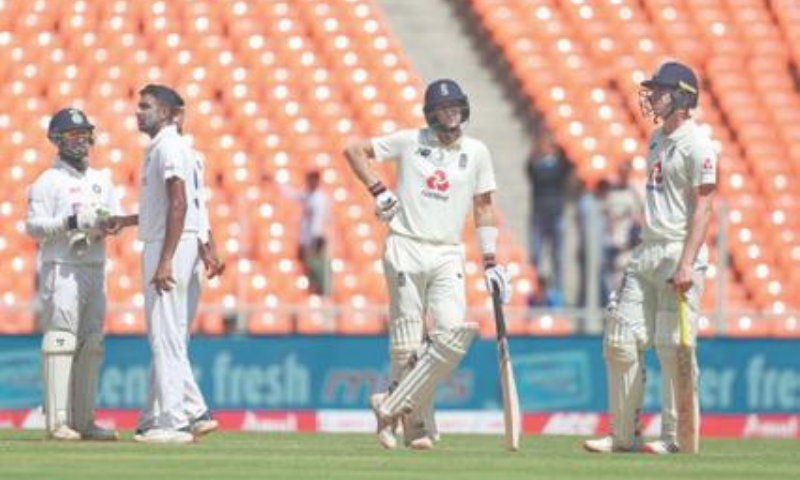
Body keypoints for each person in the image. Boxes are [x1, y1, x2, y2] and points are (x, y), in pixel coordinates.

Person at [344, 78, 511, 450]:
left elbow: (483, 206)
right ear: (431, 113)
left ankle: (388, 404)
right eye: (443, 108)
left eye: (456, 106)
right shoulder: (410, 141)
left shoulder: (477, 152)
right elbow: (354, 150)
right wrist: (379, 190)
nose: (451, 113)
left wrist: (490, 261)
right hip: (405, 245)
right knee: (405, 343)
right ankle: (418, 425)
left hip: (448, 252)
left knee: (451, 336)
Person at [583, 61, 717, 454]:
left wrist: (688, 262)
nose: (653, 97)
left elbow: (703, 209)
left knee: (672, 347)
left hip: (679, 250)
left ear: (682, 97)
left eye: (660, 90)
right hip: (647, 250)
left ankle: (677, 437)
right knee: (620, 339)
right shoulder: (656, 139)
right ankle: (623, 434)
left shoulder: (699, 145)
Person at [109, 84, 219, 443]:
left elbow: (180, 203)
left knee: (163, 335)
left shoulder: (169, 147)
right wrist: (126, 221)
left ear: (170, 114)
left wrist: (166, 260)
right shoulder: (176, 148)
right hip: (182, 240)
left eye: (147, 107)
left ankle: (179, 417)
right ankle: (154, 415)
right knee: (169, 334)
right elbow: (182, 205)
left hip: (169, 245)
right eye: (138, 106)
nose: (138, 112)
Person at [25, 107, 120, 441]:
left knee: (92, 342)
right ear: (56, 140)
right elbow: (33, 228)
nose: (80, 142)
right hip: (61, 268)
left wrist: (104, 225)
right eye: (72, 136)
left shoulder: (102, 180)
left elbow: (115, 218)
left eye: (84, 135)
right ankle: (58, 422)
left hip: (94, 265)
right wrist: (69, 223)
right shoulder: (47, 182)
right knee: (61, 338)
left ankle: (85, 420)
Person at [525, 128, 572, 296]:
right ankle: (535, 292)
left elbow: (568, 164)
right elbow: (530, 171)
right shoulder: (537, 164)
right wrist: (537, 148)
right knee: (535, 256)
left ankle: (558, 293)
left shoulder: (559, 165)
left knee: (557, 257)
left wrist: (559, 145)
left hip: (557, 214)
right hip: (539, 214)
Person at [278, 170, 331, 296]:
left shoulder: (320, 199)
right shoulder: (307, 195)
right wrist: (277, 183)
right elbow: (291, 194)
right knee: (306, 264)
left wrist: (317, 237)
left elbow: (320, 220)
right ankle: (312, 289)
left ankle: (322, 290)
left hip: (317, 237)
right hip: (306, 238)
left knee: (316, 264)